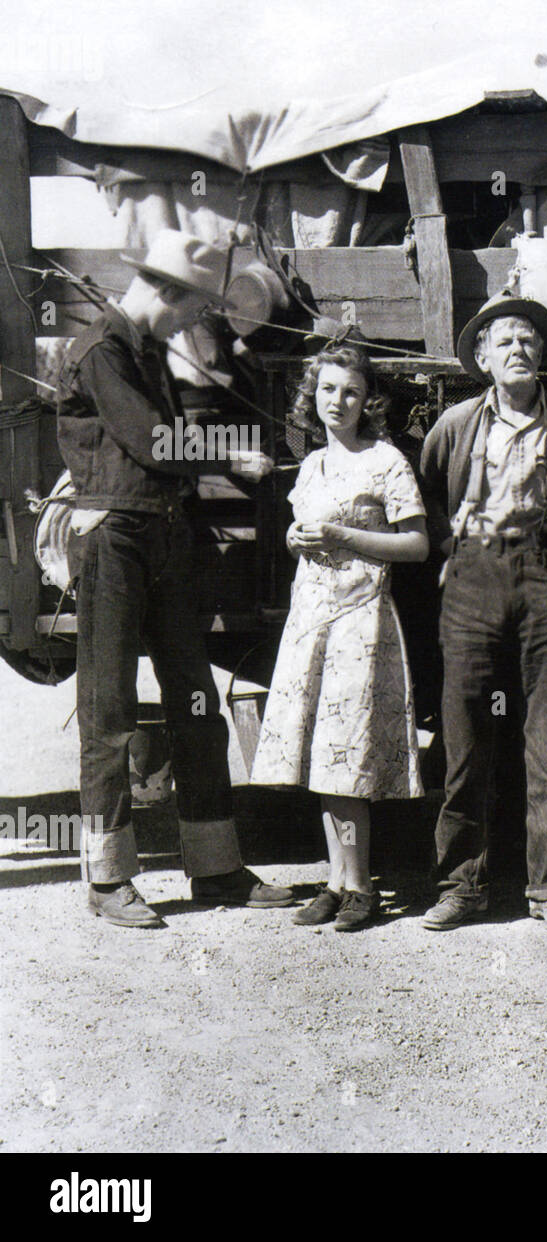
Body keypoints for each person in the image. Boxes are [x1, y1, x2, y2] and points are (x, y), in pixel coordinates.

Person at [56, 228, 291, 927]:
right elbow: (154, 441)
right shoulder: (102, 350)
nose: (196, 320)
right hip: (114, 541)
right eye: (192, 306)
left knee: (196, 705)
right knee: (110, 714)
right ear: (164, 290)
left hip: (162, 536)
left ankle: (215, 866)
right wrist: (233, 456)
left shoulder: (146, 352)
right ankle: (107, 881)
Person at [418, 292, 547, 932]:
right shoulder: (458, 423)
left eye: (527, 340)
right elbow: (428, 496)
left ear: (542, 354)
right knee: (464, 735)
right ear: (482, 359)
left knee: (546, 737)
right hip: (472, 579)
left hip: (544, 577)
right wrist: (453, 550)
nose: (517, 350)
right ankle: (462, 884)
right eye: (504, 342)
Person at [250, 342, 429, 931]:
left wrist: (346, 537)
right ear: (313, 395)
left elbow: (417, 545)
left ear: (367, 400)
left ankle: (360, 886)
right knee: (319, 752)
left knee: (347, 754)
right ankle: (335, 880)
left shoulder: (385, 461)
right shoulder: (312, 466)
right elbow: (303, 534)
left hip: (361, 621)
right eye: (328, 389)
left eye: (350, 392)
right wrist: (297, 541)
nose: (338, 401)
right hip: (312, 619)